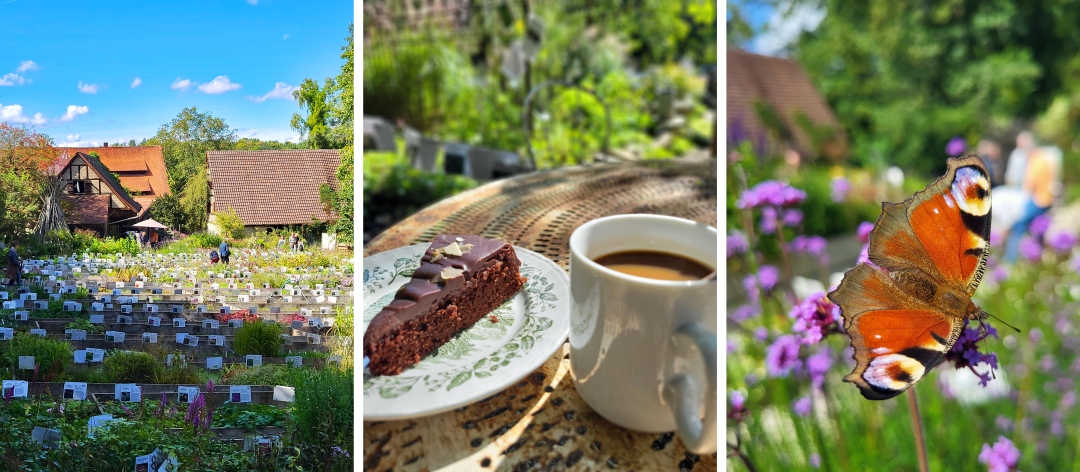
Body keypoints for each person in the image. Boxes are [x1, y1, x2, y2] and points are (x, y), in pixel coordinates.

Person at [1005, 147, 1056, 263]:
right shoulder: (1045, 160)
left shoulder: (1036, 162)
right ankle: (1039, 258)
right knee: (1039, 230)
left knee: (1017, 229)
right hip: (1046, 200)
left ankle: (1010, 260)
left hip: (1036, 200)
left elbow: (1031, 183)